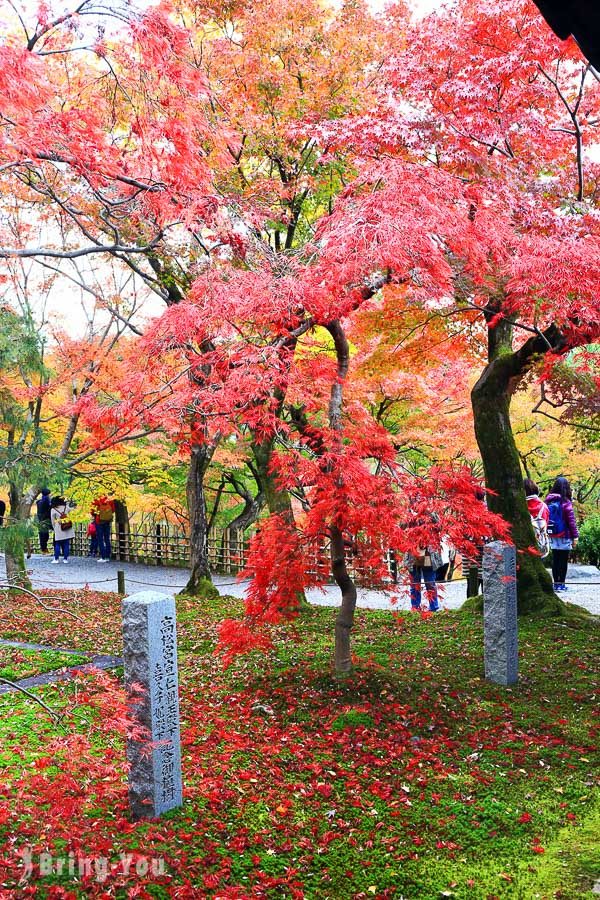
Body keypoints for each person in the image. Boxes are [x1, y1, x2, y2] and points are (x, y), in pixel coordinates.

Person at [545, 476, 579, 592]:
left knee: (555, 559)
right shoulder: (566, 502)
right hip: (564, 535)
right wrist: (575, 536)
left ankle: (555, 584)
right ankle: (561, 584)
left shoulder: (548, 500)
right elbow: (571, 522)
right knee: (563, 560)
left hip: (553, 534)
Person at [405, 546, 442, 612]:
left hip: (429, 556)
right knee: (415, 585)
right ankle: (415, 607)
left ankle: (433, 607)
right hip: (413, 556)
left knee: (430, 584)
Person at [524, 477, 550, 558]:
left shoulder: (520, 506)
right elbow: (547, 522)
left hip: (523, 544)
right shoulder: (543, 506)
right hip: (540, 544)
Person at [50, 497, 75, 564]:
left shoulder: (53, 509)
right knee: (66, 543)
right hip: (67, 527)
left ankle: (56, 559)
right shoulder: (66, 507)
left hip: (58, 527)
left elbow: (52, 521)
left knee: (57, 543)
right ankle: (65, 559)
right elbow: (72, 513)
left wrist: (54, 528)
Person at [92, 495, 115, 562]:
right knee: (107, 538)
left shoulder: (96, 499)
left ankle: (103, 557)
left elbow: (92, 511)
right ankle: (108, 556)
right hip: (107, 521)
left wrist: (97, 515)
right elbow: (113, 510)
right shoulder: (110, 499)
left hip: (99, 521)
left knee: (100, 539)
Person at [36, 488, 52, 554]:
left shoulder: (40, 501)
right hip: (45, 519)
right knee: (44, 535)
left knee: (43, 535)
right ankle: (44, 549)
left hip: (40, 520)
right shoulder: (46, 500)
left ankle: (44, 549)